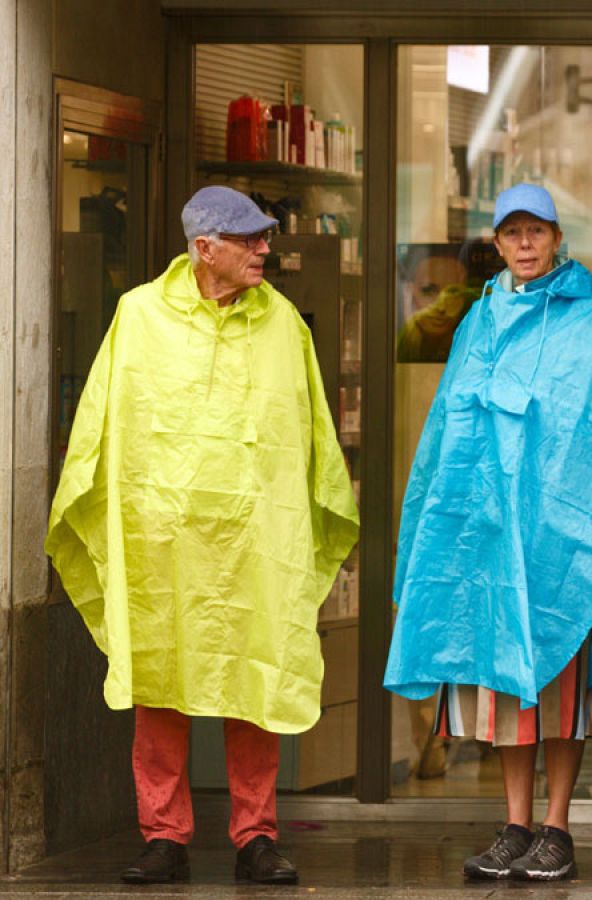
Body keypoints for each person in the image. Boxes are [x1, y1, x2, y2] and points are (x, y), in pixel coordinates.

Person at [46, 185, 359, 885]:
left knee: (256, 677)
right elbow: (102, 423)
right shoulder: (139, 317)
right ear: (203, 247)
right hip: (165, 540)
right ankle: (163, 836)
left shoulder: (282, 324)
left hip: (255, 536)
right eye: (249, 240)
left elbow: (307, 433)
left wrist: (327, 505)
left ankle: (256, 835)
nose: (264, 250)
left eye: (264, 238)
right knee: (160, 681)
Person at [384, 183, 592, 883]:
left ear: (557, 238)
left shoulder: (590, 324)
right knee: (508, 694)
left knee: (560, 692)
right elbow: (449, 427)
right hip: (491, 535)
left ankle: (558, 828)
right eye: (512, 233)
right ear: (495, 243)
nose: (525, 245)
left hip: (557, 539)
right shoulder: (479, 322)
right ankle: (516, 826)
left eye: (536, 232)